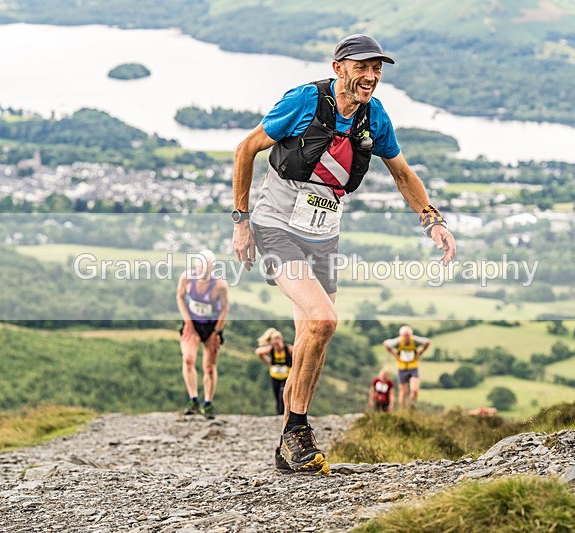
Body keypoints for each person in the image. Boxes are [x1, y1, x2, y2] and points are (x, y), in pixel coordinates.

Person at [232, 34, 457, 474]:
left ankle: (287, 449)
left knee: (311, 338)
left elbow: (402, 173)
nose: (370, 76)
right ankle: (298, 429)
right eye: (362, 67)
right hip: (276, 226)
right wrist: (241, 222)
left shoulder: (375, 119)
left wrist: (433, 219)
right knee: (323, 320)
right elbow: (246, 149)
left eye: (377, 69)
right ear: (338, 68)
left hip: (322, 237)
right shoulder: (304, 101)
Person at [175, 250, 229, 419]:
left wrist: (216, 332)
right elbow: (180, 297)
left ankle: (208, 402)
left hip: (211, 326)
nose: (202, 272)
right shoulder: (186, 278)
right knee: (188, 359)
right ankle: (193, 399)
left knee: (209, 367)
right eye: (199, 267)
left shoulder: (220, 285)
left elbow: (225, 308)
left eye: (206, 269)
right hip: (192, 323)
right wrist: (188, 322)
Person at [383, 325, 431, 409]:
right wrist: (394, 355)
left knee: (414, 390)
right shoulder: (398, 342)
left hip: (413, 367)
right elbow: (386, 344)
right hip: (402, 368)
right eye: (404, 336)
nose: (406, 338)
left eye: (408, 336)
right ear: (401, 336)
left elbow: (427, 342)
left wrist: (421, 352)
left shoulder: (415, 341)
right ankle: (403, 410)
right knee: (403, 392)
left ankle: (411, 404)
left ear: (410, 335)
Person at [255, 327, 294, 415]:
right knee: (277, 396)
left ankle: (283, 413)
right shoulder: (271, 349)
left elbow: (299, 353)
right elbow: (258, 352)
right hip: (275, 376)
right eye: (273, 344)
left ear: (281, 340)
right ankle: (278, 414)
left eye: (277, 343)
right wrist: (268, 362)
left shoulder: (289, 349)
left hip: (287, 377)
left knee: (283, 395)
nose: (276, 346)